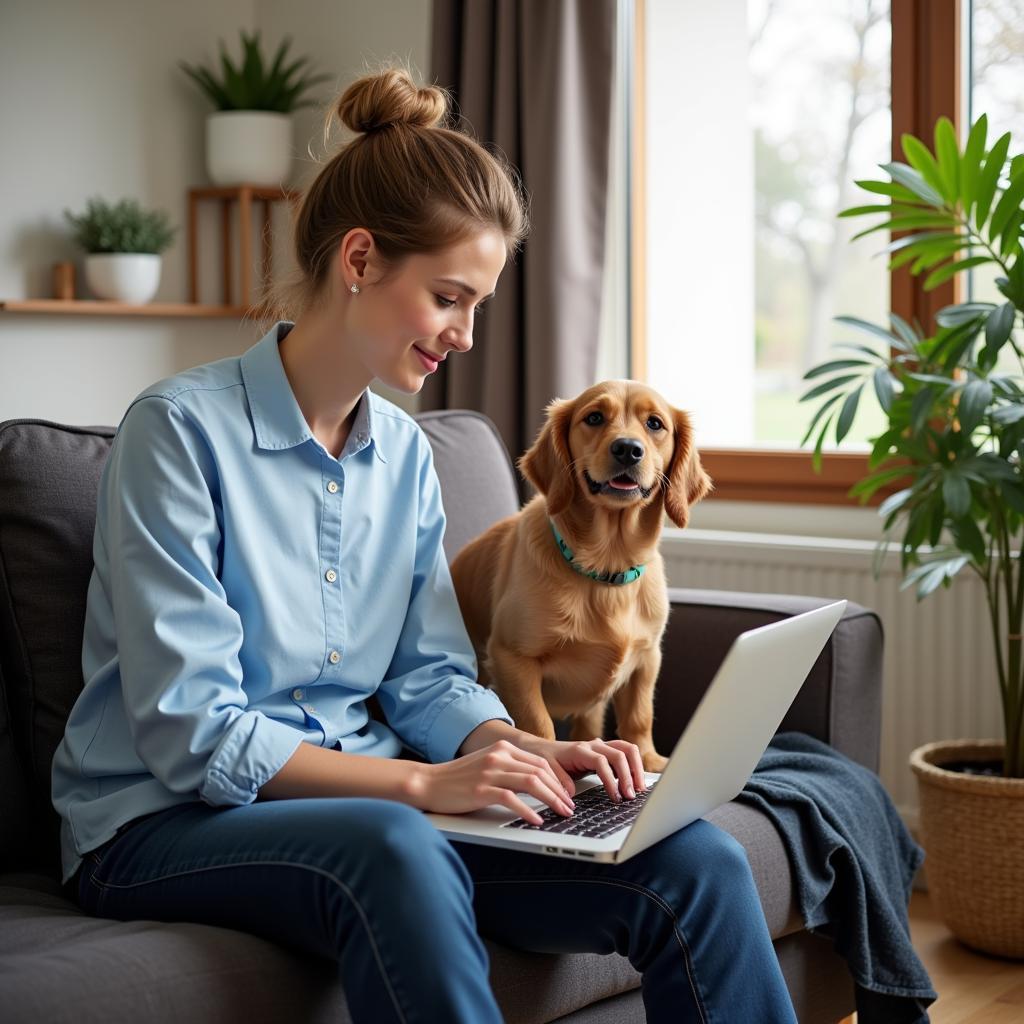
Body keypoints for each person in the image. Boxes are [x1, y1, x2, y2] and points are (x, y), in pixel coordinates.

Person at [51, 66, 798, 1024]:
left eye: (478, 303)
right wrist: (423, 782)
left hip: (374, 808)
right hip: (160, 825)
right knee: (398, 845)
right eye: (451, 297)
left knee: (688, 856)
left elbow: (430, 677)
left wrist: (516, 749)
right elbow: (192, 731)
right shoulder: (178, 434)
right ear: (359, 259)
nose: (468, 334)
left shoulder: (404, 453)